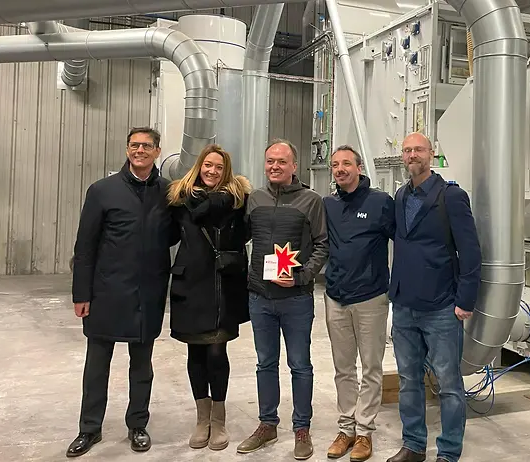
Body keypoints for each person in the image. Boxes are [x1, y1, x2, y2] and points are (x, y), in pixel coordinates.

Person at [67, 127, 179, 457]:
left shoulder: (168, 193)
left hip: (148, 293)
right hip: (106, 293)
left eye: (146, 146)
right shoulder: (102, 191)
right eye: (134, 145)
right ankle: (89, 429)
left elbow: (171, 235)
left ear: (158, 151)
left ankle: (138, 424)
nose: (139, 150)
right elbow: (84, 246)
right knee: (97, 366)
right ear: (128, 149)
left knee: (142, 365)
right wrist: (81, 294)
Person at [386, 132, 482, 462]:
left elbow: (470, 251)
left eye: (419, 150)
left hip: (441, 306)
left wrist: (465, 300)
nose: (413, 155)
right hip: (404, 305)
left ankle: (449, 451)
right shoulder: (400, 196)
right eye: (408, 150)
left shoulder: (451, 196)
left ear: (432, 154)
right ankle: (413, 445)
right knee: (408, 379)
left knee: (449, 383)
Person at [237, 139, 329, 460]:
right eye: (270, 161)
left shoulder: (311, 201)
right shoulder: (255, 200)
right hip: (260, 298)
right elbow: (240, 237)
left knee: (300, 365)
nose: (275, 166)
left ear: (294, 166)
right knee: (265, 363)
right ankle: (267, 423)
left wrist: (302, 277)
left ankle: (301, 427)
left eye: (281, 161)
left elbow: (322, 245)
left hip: (296, 300)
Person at [166, 144, 252, 451]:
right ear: (199, 166)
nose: (212, 171)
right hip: (191, 285)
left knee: (217, 353)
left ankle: (219, 418)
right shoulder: (180, 200)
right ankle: (202, 419)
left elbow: (247, 234)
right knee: (196, 354)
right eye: (208, 165)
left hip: (224, 285)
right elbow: (165, 235)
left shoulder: (238, 201)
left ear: (226, 171)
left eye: (219, 167)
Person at [322, 145, 395, 461]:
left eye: (346, 164)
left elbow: (404, 243)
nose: (340, 169)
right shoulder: (328, 204)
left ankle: (365, 433)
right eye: (335, 165)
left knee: (371, 368)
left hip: (371, 298)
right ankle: (346, 429)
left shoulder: (380, 203)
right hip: (335, 298)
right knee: (343, 369)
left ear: (359, 167)